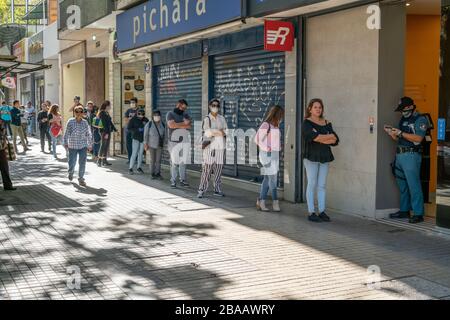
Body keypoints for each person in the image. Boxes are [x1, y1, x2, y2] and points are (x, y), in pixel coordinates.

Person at [385, 97, 429, 224]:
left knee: (413, 185)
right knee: (402, 186)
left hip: (411, 156)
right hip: (400, 155)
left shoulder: (420, 119)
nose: (402, 112)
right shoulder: (403, 119)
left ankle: (418, 213)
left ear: (410, 107)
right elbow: (399, 139)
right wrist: (392, 133)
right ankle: (404, 210)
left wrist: (400, 133)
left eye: (403, 109)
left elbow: (418, 138)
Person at [302, 99, 339, 222]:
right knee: (312, 183)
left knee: (322, 185)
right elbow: (314, 137)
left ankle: (322, 211)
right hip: (311, 157)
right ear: (310, 109)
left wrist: (322, 138)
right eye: (315, 107)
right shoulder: (306, 123)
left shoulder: (327, 123)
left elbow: (336, 140)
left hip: (324, 157)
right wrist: (327, 137)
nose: (318, 109)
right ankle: (311, 212)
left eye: (320, 107)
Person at [255, 105, 285, 212]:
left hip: (275, 155)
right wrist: (267, 148)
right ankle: (275, 202)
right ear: (277, 115)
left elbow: (274, 141)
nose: (282, 118)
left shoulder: (276, 126)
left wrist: (279, 146)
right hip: (266, 155)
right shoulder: (266, 125)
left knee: (267, 178)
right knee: (272, 178)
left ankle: (261, 201)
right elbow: (257, 139)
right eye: (281, 115)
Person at [197, 99, 228, 198]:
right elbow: (208, 133)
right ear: (210, 106)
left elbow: (226, 132)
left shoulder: (222, 118)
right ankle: (201, 190)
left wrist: (215, 132)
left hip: (220, 148)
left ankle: (217, 189)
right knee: (207, 170)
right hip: (209, 148)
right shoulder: (207, 119)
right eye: (213, 105)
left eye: (217, 105)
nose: (215, 107)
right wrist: (219, 132)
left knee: (218, 170)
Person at [64, 105, 93, 187]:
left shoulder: (85, 122)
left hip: (83, 146)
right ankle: (71, 172)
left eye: (81, 111)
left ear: (83, 113)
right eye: (77, 111)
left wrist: (89, 145)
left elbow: (88, 134)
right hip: (72, 145)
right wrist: (65, 143)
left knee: (82, 163)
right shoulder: (70, 121)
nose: (79, 113)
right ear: (74, 112)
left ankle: (81, 179)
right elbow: (66, 133)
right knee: (72, 162)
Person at [166, 99, 192, 188]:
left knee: (183, 162)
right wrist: (183, 124)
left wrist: (177, 124)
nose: (183, 109)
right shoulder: (170, 114)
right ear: (178, 105)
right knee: (174, 162)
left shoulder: (186, 114)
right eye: (182, 107)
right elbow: (171, 125)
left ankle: (182, 180)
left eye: (184, 108)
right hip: (173, 142)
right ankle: (173, 181)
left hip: (184, 141)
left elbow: (189, 125)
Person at [144, 110, 165, 180]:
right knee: (153, 160)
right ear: (153, 116)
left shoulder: (163, 124)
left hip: (159, 145)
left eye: (158, 115)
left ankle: (158, 173)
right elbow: (146, 135)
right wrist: (145, 144)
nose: (157, 117)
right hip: (151, 145)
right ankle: (152, 173)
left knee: (158, 160)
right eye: (155, 115)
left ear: (160, 116)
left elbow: (164, 135)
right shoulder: (149, 124)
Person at [127, 109, 149, 174]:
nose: (141, 116)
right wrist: (137, 130)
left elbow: (149, 128)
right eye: (139, 114)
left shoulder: (146, 120)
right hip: (136, 138)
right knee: (134, 153)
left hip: (143, 139)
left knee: (141, 153)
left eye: (142, 114)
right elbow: (129, 128)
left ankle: (139, 167)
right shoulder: (133, 120)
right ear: (137, 114)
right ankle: (130, 168)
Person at [97, 101, 117, 167]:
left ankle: (104, 160)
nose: (110, 106)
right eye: (109, 105)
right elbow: (104, 124)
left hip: (107, 131)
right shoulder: (102, 113)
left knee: (106, 146)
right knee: (103, 145)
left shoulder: (106, 112)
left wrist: (115, 129)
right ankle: (99, 161)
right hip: (104, 132)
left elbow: (110, 122)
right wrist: (106, 133)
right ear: (107, 106)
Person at [0, 119, 15, 191]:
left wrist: (5, 141)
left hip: (2, 147)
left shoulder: (1, 121)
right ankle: (8, 185)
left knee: (5, 166)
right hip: (1, 146)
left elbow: (3, 133)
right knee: (4, 166)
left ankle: (8, 185)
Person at [124, 98, 140, 163]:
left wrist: (131, 120)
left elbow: (140, 120)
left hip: (136, 131)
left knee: (136, 145)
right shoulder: (128, 111)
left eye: (133, 102)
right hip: (128, 130)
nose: (132, 104)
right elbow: (125, 120)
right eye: (131, 102)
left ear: (136, 103)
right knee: (129, 145)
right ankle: (130, 159)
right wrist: (131, 120)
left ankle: (136, 159)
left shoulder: (139, 110)